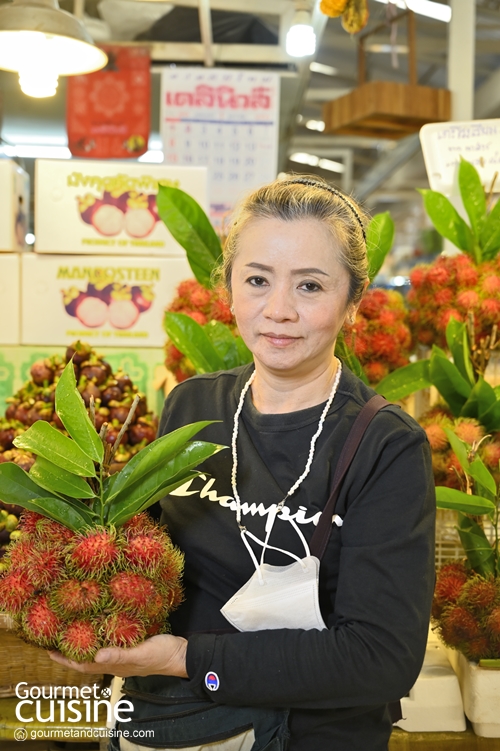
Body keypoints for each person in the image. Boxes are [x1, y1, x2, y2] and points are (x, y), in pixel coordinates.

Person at [51, 176, 436, 751]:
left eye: (309, 285)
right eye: (257, 280)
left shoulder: (386, 445)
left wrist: (188, 660)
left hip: (312, 737)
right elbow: (151, 562)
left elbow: (380, 660)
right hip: (168, 725)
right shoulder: (193, 404)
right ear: (228, 287)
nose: (278, 310)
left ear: (353, 302)